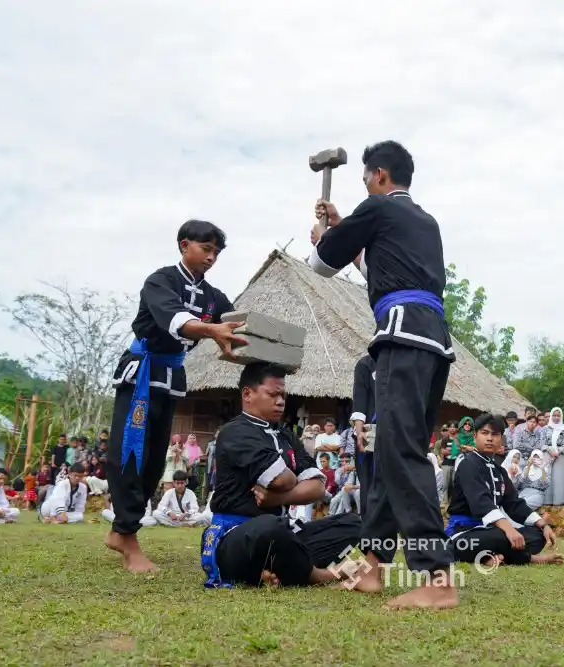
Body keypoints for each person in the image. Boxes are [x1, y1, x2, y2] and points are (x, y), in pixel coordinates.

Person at [309, 141, 459, 609]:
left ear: (377, 175)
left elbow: (323, 265)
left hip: (403, 336)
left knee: (397, 452)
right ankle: (371, 568)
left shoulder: (375, 207)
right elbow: (377, 266)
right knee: (391, 451)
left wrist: (323, 236)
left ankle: (437, 580)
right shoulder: (422, 221)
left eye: (364, 179)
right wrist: (342, 227)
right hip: (431, 338)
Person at [105, 219, 245, 573]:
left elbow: (238, 323)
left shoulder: (213, 297)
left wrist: (260, 344)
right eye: (206, 248)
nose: (212, 257)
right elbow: (176, 319)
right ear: (185, 245)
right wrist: (212, 330)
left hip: (171, 374)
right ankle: (126, 533)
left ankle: (122, 532)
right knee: (131, 451)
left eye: (216, 252)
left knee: (154, 459)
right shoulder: (161, 280)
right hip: (142, 372)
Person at [202, 362, 362, 589]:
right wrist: (293, 482)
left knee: (353, 524)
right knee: (269, 526)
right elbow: (281, 479)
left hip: (284, 532)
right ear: (247, 394)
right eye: (272, 394)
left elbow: (317, 487)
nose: (280, 401)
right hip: (238, 536)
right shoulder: (235, 431)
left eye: (283, 395)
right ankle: (316, 575)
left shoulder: (285, 434)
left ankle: (274, 571)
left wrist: (279, 499)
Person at [446, 414, 562, 567]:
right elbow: (481, 502)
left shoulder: (499, 471)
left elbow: (514, 503)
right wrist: (509, 529)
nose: (489, 439)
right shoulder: (467, 464)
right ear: (475, 436)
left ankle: (491, 556)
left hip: (493, 530)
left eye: (495, 434)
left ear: (501, 439)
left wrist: (543, 524)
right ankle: (530, 559)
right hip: (465, 532)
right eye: (485, 433)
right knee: (501, 535)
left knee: (537, 535)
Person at [349, 354, 377, 515]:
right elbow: (360, 400)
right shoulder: (366, 364)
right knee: (368, 483)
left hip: (395, 434)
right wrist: (359, 431)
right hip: (369, 434)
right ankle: (370, 529)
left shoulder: (404, 362)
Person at [539, 407, 564, 505]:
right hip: (547, 454)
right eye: (554, 415)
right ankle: (547, 502)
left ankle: (559, 502)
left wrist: (558, 452)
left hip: (560, 455)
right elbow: (541, 443)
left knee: (559, 478)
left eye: (558, 415)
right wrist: (550, 450)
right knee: (547, 476)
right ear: (551, 416)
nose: (556, 417)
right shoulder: (545, 429)